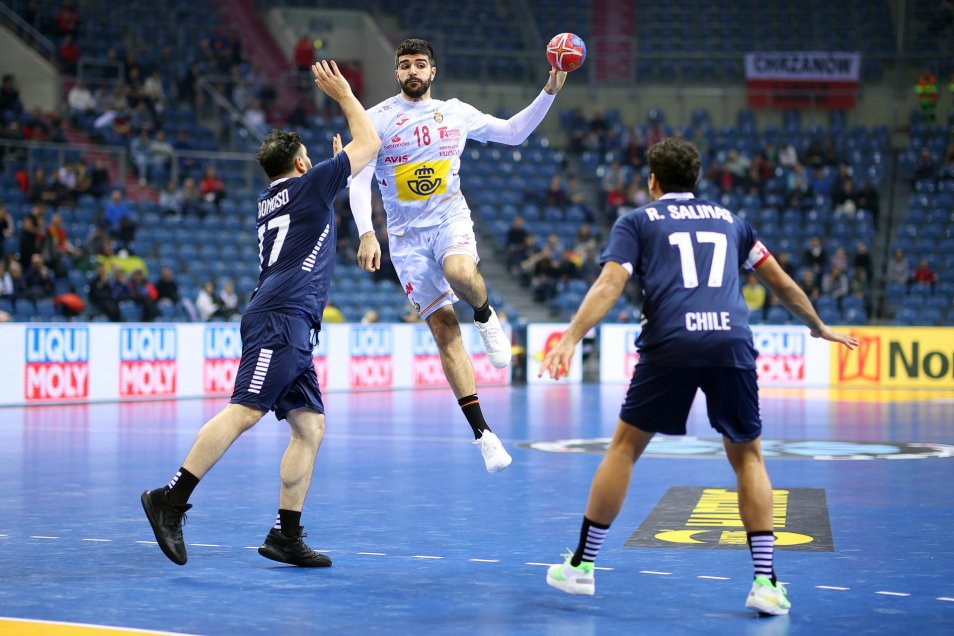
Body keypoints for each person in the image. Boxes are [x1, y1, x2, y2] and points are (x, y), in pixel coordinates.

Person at [538, 137, 858, 615]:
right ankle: (766, 583)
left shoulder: (638, 221)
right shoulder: (732, 222)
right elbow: (782, 282)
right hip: (731, 341)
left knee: (624, 448)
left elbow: (610, 282)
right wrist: (817, 326)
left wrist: (568, 338)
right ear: (698, 179)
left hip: (671, 341)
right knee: (749, 458)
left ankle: (581, 568)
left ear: (652, 181)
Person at [140, 59, 379, 568]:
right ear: (298, 165)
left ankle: (284, 536)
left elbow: (314, 214)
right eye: (309, 158)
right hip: (282, 316)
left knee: (310, 427)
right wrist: (343, 96)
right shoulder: (310, 185)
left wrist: (328, 175)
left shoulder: (273, 198)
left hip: (288, 317)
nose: (314, 162)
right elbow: (371, 143)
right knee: (244, 410)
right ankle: (171, 499)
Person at [348, 38, 568, 473]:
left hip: (448, 220)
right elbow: (358, 178)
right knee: (445, 332)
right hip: (407, 239)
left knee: (460, 270)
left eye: (421, 64)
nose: (413, 71)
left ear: (433, 72)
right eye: (405, 65)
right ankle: (484, 435)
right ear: (397, 73)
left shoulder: (456, 111)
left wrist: (551, 90)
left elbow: (514, 132)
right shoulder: (377, 119)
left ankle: (485, 316)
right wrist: (367, 233)